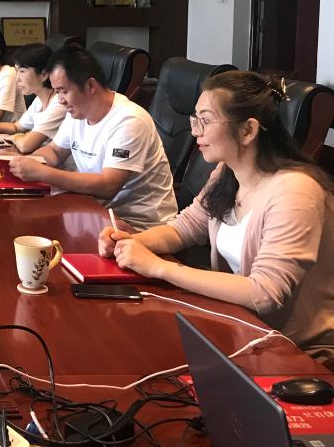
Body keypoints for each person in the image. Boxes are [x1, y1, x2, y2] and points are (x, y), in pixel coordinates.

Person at [99, 71, 334, 367]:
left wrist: (159, 267)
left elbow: (264, 292)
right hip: (242, 329)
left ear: (248, 130)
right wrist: (131, 242)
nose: (195, 132)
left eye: (206, 121)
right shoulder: (227, 171)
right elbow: (186, 228)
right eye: (195, 120)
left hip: (298, 352)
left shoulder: (296, 191)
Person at [9, 46, 177, 231]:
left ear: (90, 85)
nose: (60, 100)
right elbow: (55, 151)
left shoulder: (129, 120)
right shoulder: (77, 112)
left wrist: (43, 173)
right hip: (95, 211)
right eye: (57, 92)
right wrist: (30, 162)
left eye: (63, 91)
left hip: (140, 225)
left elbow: (108, 185)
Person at [0, 43, 67, 154]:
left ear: (43, 75)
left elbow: (26, 145)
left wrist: (15, 137)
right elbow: (16, 127)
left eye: (22, 71)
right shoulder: (39, 100)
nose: (17, 78)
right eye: (17, 71)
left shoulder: (58, 103)